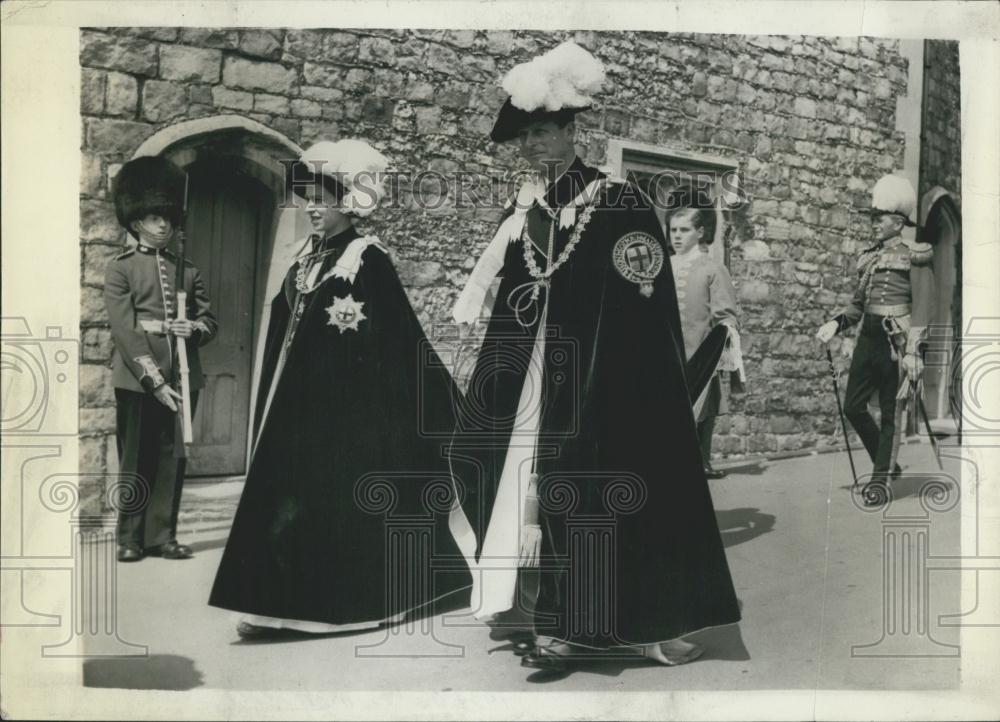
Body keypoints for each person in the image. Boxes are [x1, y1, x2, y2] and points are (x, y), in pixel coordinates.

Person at [450, 41, 741, 673]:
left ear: (571, 131)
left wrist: (620, 384)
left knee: (583, 487)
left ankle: (583, 626)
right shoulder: (526, 209)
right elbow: (513, 295)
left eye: (544, 132)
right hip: (530, 378)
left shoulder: (617, 203)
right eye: (524, 136)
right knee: (507, 473)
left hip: (600, 385)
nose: (532, 146)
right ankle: (528, 610)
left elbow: (645, 306)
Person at [209, 139, 473, 639]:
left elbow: (399, 342)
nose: (312, 208)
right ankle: (272, 608)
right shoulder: (303, 261)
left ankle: (328, 611)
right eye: (307, 199)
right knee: (284, 506)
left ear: (348, 202)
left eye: (323, 200)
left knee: (327, 513)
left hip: (349, 421)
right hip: (297, 413)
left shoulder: (365, 259)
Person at [105, 155, 217, 562]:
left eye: (167, 218)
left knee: (174, 458)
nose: (163, 225)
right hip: (139, 378)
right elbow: (125, 330)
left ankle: (161, 535)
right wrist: (155, 380)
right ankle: (130, 537)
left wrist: (196, 330)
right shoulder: (121, 270)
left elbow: (209, 319)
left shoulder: (188, 270)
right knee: (136, 457)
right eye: (154, 218)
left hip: (185, 375)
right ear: (136, 222)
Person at [815, 174, 934, 504]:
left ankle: (879, 481)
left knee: (890, 414)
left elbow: (924, 306)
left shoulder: (917, 253)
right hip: (868, 337)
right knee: (854, 406)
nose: (873, 224)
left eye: (878, 219)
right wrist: (835, 324)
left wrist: (914, 351)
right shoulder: (868, 258)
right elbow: (858, 305)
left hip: (896, 342)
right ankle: (889, 465)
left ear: (897, 223)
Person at [667, 203, 744, 479]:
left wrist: (721, 342)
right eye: (673, 230)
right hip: (667, 350)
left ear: (700, 232)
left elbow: (725, 313)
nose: (676, 236)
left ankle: (701, 458)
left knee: (702, 406)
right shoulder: (663, 265)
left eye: (684, 230)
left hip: (698, 349)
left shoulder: (712, 268)